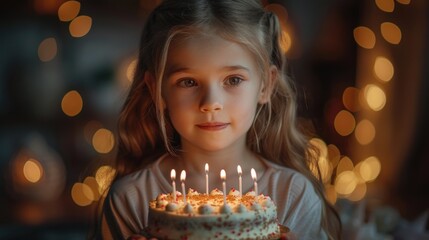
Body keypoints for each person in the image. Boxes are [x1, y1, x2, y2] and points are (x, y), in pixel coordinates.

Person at [96, 0, 341, 239]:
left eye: (233, 79)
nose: (211, 102)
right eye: (188, 82)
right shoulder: (132, 198)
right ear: (157, 90)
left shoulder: (292, 195)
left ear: (266, 85)